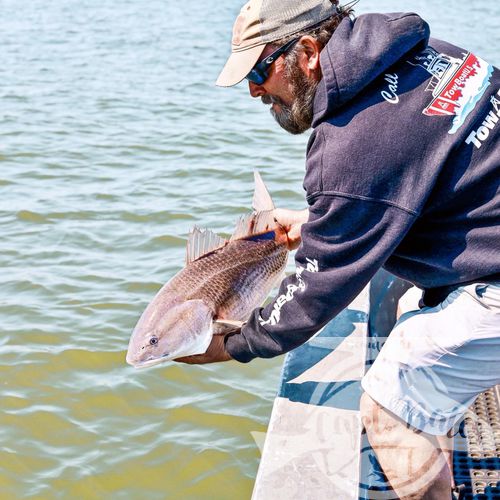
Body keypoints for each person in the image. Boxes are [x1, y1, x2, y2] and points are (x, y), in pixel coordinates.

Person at [176, 1, 500, 498]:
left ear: (307, 51)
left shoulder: (348, 146)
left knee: (391, 407)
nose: (254, 89)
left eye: (260, 70)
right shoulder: (426, 56)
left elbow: (312, 297)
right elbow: (419, 180)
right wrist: (320, 225)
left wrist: (229, 345)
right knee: (405, 303)